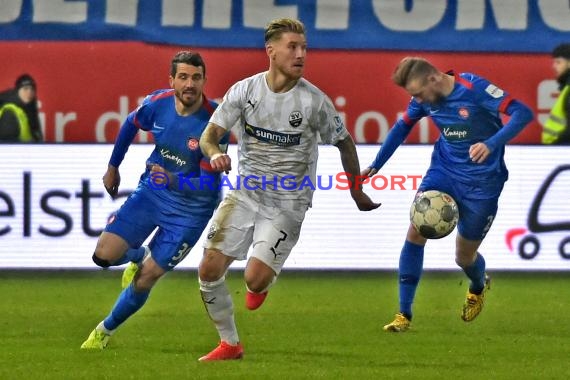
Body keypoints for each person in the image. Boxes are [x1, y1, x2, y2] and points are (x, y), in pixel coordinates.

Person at [196, 17, 380, 361]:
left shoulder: (314, 102)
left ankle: (261, 283)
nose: (300, 55)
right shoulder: (245, 90)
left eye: (304, 48)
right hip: (245, 194)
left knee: (254, 278)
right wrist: (215, 153)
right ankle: (230, 344)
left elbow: (345, 143)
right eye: (292, 47)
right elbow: (209, 135)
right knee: (207, 270)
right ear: (271, 51)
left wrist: (356, 191)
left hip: (288, 204)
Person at [362, 57, 533, 332]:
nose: (417, 100)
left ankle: (478, 285)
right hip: (444, 172)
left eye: (418, 93)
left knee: (464, 257)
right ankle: (403, 314)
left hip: (483, 184)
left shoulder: (474, 88)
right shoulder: (424, 99)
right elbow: (403, 126)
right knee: (416, 230)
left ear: (433, 78)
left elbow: (523, 113)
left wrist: (492, 143)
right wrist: (376, 164)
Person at [80, 51, 228, 349]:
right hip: (153, 192)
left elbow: (206, 186)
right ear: (171, 80)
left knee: (147, 278)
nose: (189, 84)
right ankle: (137, 255)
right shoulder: (157, 104)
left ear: (204, 81)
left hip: (191, 210)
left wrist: (170, 178)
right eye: (183, 77)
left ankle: (103, 332)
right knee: (103, 255)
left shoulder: (214, 124)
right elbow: (130, 124)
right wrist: (113, 166)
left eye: (196, 78)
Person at [0, 74, 43, 142]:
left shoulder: (30, 107)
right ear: (17, 91)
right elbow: (7, 146)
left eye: (32, 89)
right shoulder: (9, 112)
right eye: (25, 89)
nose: (29, 92)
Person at [543, 43, 570, 144]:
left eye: (558, 62)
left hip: (563, 152)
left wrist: (557, 145)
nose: (554, 66)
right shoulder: (567, 87)